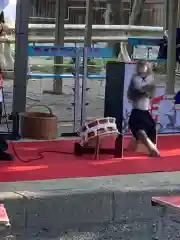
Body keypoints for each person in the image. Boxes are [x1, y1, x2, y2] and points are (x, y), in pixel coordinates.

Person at [127, 60, 160, 157]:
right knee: (139, 130)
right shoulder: (135, 78)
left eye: (144, 65)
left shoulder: (151, 78)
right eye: (140, 65)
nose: (142, 67)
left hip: (146, 110)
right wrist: (141, 92)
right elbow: (130, 95)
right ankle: (151, 148)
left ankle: (152, 147)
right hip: (137, 110)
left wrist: (149, 91)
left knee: (151, 128)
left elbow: (153, 94)